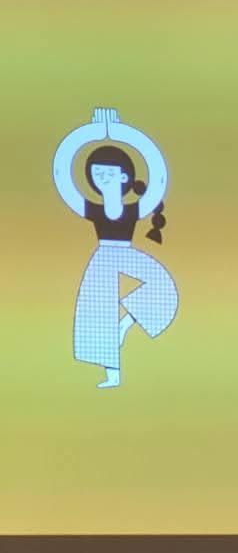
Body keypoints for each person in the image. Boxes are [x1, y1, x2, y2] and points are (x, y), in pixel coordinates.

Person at [53, 108, 179, 388]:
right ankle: (113, 374)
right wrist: (93, 132)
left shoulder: (135, 208)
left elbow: (158, 174)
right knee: (98, 309)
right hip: (104, 255)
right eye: (98, 173)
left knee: (163, 285)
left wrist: (120, 132)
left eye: (110, 173)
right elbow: (62, 175)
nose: (103, 177)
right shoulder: (92, 208)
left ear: (124, 177)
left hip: (125, 252)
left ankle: (123, 326)